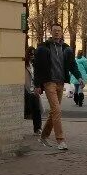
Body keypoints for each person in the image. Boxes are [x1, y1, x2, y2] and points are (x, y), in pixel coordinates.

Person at [32, 22, 77, 152]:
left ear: (62, 32)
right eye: (54, 30)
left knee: (54, 112)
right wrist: (37, 84)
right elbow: (38, 67)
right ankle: (61, 140)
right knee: (57, 110)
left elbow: (72, 64)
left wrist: (79, 77)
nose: (57, 32)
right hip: (48, 82)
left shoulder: (65, 48)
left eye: (59, 30)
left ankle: (43, 136)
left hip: (60, 82)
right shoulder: (43, 48)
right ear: (51, 32)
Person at [24, 45, 42, 138]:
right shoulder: (24, 65)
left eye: (34, 54)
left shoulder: (35, 65)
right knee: (26, 110)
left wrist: (38, 87)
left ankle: (38, 128)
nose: (32, 56)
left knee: (37, 110)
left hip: (34, 90)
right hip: (26, 90)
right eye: (30, 54)